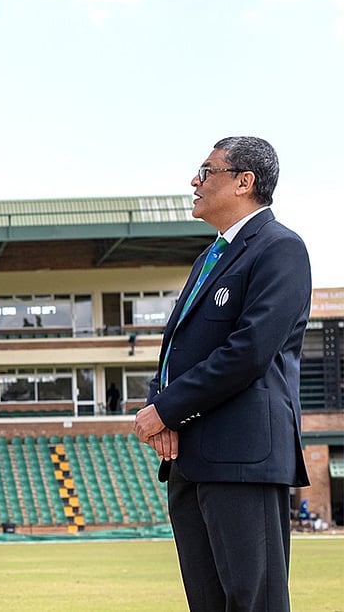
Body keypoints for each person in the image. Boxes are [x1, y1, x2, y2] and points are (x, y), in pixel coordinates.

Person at [132, 136, 311, 612]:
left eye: (207, 171)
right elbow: (177, 348)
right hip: (191, 458)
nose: (195, 181)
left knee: (254, 601)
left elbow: (249, 352)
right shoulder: (209, 258)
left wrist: (166, 409)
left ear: (244, 182)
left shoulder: (280, 248)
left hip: (243, 457)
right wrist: (160, 407)